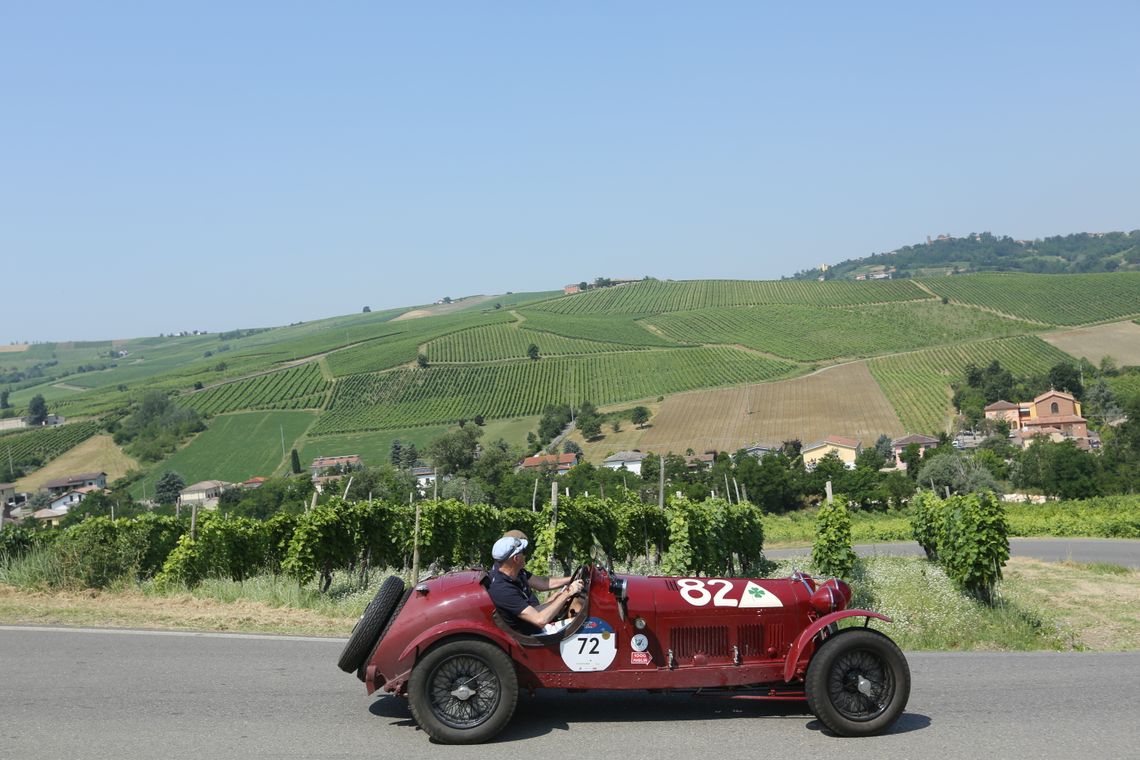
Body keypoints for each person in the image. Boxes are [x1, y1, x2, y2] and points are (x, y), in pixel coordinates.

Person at [488, 534, 583, 635]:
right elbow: (540, 620)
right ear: (516, 559)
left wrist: (560, 599)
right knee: (587, 624)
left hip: (534, 628)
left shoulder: (516, 573)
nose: (525, 555)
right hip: (533, 635)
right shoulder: (503, 589)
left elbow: (542, 586)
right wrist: (568, 593)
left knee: (580, 618)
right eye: (523, 552)